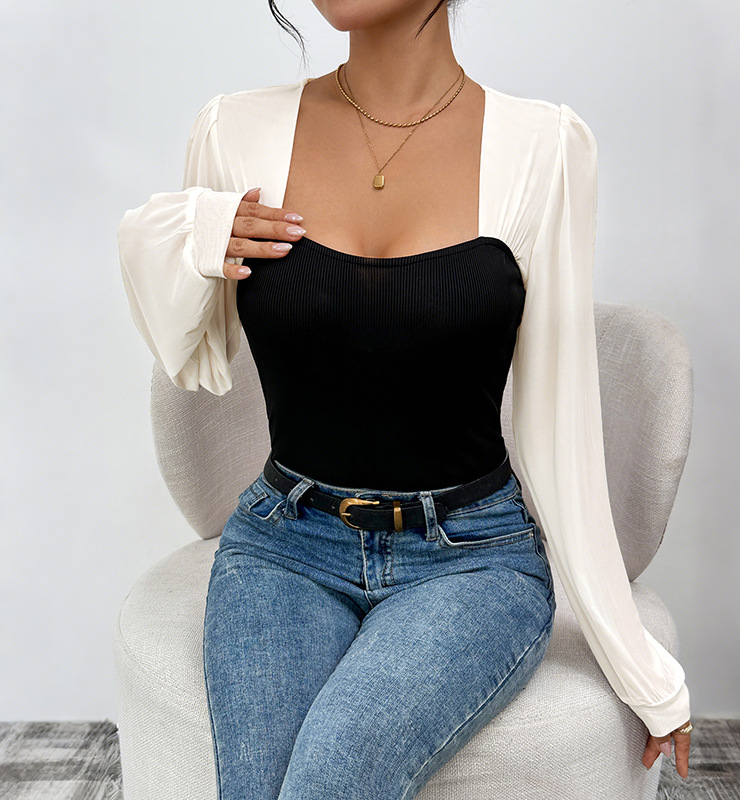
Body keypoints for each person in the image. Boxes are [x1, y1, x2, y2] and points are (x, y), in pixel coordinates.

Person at [116, 1, 693, 796]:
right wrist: (192, 233)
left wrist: (643, 671)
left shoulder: (545, 147)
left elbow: (560, 427)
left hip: (471, 562)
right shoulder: (233, 131)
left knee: (328, 782)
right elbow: (190, 350)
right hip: (283, 543)